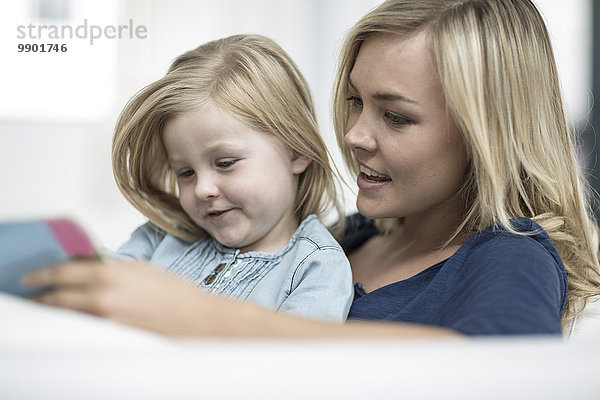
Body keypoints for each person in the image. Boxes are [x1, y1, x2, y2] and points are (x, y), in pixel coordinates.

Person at [24, 0, 600, 337]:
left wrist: (198, 318)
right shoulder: (350, 234)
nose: (352, 136)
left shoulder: (511, 253)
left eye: (396, 118)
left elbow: (510, 373)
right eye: (355, 101)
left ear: (486, 134)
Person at [24, 34, 354, 323]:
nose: (203, 189)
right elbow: (105, 288)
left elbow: (296, 365)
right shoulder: (162, 236)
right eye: (185, 172)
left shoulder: (317, 267)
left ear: (296, 151)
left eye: (225, 163)